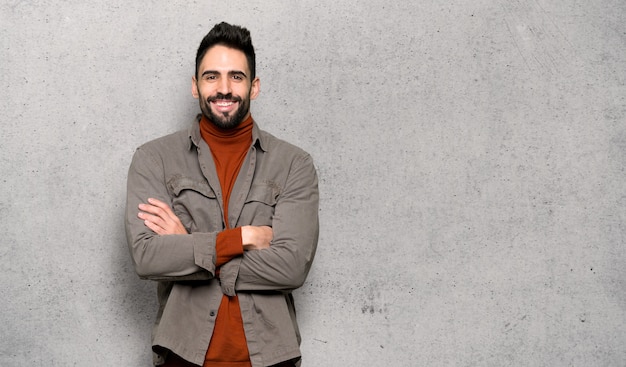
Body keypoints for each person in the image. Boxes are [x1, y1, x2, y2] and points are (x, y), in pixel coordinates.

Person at [125, 22, 319, 367]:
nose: (224, 89)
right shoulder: (153, 158)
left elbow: (291, 267)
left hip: (270, 359)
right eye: (211, 76)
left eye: (237, 77)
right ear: (195, 86)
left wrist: (189, 246)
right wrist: (240, 239)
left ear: (254, 87)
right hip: (182, 356)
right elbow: (147, 257)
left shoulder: (294, 164)